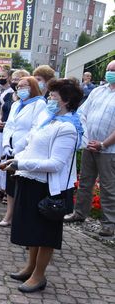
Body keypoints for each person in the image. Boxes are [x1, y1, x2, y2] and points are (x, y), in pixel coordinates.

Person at [5, 78, 82, 293]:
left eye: (53, 97)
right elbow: (30, 144)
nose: (49, 99)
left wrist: (21, 163)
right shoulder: (48, 119)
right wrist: (14, 158)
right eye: (49, 95)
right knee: (32, 230)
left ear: (66, 101)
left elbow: (56, 164)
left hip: (49, 188)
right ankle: (30, 267)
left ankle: (39, 275)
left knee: (45, 234)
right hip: (31, 179)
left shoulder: (67, 128)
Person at [64, 61, 115, 237]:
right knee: (85, 182)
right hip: (90, 145)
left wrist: (103, 144)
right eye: (108, 69)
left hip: (109, 150)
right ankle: (79, 213)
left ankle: (109, 224)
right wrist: (86, 138)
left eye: (113, 70)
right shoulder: (98, 91)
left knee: (108, 187)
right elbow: (82, 113)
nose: (110, 73)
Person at [0, 76, 46, 227]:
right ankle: (9, 213)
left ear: (32, 87)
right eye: (18, 87)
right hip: (11, 147)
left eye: (24, 86)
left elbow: (35, 127)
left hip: (26, 148)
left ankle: (20, 216)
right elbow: (9, 126)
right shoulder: (16, 104)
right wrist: (6, 143)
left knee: (21, 182)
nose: (20, 89)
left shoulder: (39, 104)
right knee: (10, 183)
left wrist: (18, 146)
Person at [0, 69, 28, 201]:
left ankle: (9, 192)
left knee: (10, 162)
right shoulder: (8, 95)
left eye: (19, 79)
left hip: (15, 136)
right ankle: (1, 187)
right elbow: (2, 110)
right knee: (0, 159)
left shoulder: (24, 99)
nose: (15, 81)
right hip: (3, 132)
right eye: (14, 78)